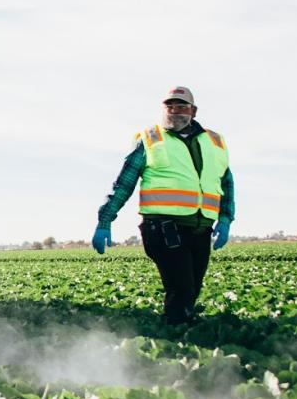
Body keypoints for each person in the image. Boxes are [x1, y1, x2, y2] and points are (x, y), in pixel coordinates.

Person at [91, 86, 235, 325]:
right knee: (182, 289)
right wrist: (105, 220)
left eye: (181, 106)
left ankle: (181, 334)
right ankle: (177, 343)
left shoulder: (214, 142)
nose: (174, 111)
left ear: (193, 111)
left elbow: (226, 182)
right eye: (170, 106)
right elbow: (124, 183)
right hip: (162, 228)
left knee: (192, 289)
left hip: (200, 228)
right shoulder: (150, 139)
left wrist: (226, 219)